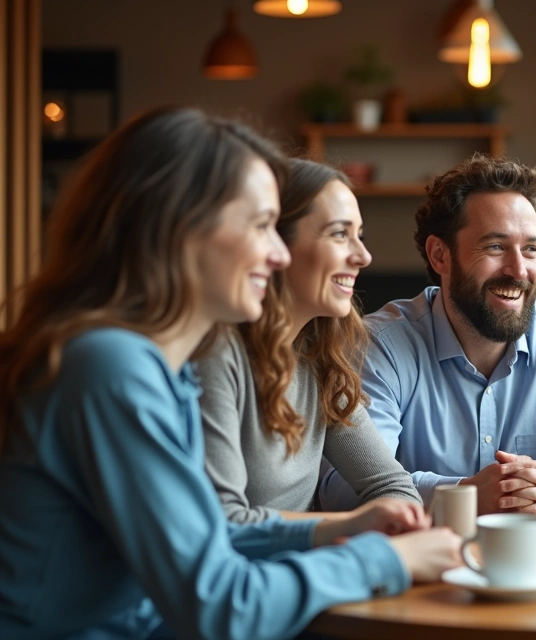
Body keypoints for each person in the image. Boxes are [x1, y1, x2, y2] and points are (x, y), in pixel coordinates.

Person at [0, 107, 461, 639]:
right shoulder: (111, 367)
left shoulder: (150, 367)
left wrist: (339, 530)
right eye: (261, 226)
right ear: (183, 228)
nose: (277, 253)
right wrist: (386, 561)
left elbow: (206, 535)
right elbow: (219, 605)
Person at [318, 153, 536, 515]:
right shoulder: (379, 344)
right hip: (420, 549)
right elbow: (342, 489)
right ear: (439, 255)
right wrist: (466, 495)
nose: (519, 271)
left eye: (530, 249)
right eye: (496, 247)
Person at [197, 158, 424, 525]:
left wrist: (389, 523)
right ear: (274, 243)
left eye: (360, 235)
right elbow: (224, 521)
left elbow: (392, 485)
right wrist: (350, 526)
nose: (363, 256)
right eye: (339, 234)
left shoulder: (319, 359)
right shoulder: (216, 355)